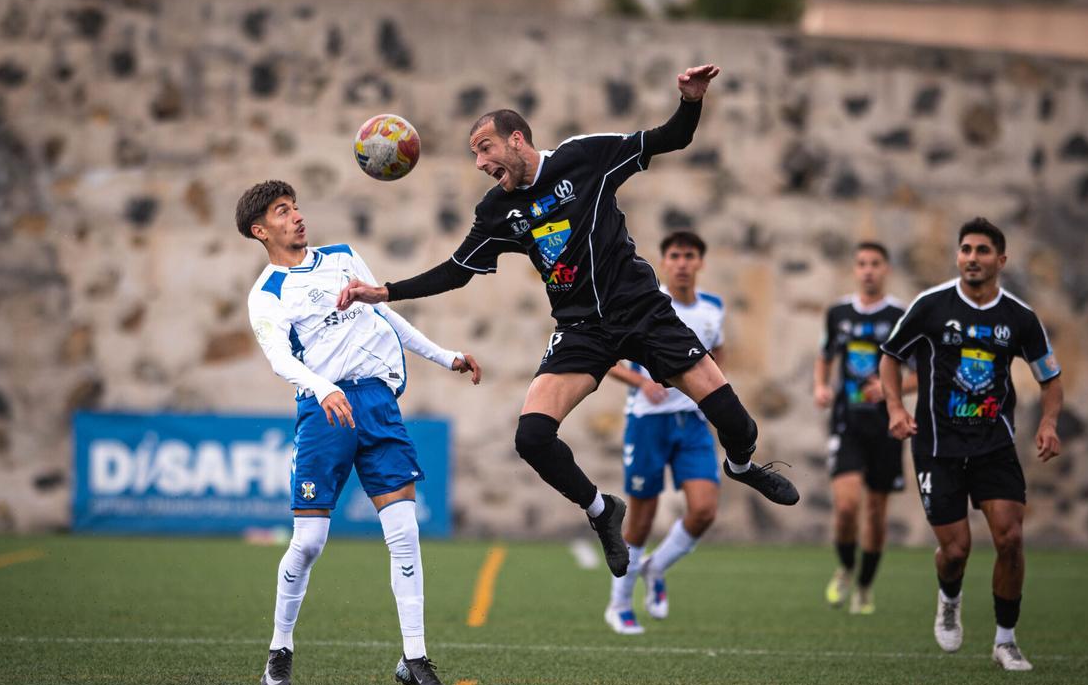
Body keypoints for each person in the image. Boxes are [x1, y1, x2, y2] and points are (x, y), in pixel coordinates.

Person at [338, 64, 799, 579]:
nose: (480, 162)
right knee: (532, 437)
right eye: (474, 155)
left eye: (485, 148)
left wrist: (690, 100)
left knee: (738, 424)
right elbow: (456, 270)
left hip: (644, 312)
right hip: (581, 330)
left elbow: (673, 137)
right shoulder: (497, 210)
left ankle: (741, 466)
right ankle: (602, 511)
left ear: (517, 140)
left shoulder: (585, 157)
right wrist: (385, 291)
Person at [238, 180, 482, 685]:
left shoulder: (344, 257)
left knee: (405, 532)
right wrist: (323, 387)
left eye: (295, 206)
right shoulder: (267, 295)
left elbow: (385, 315)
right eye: (282, 211)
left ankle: (414, 658)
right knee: (309, 541)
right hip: (324, 410)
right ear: (260, 231)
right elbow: (279, 359)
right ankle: (280, 649)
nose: (296, 216)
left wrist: (446, 356)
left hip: (377, 404)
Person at [880, 217, 1062, 671]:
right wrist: (896, 409)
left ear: (1001, 260)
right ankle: (949, 599)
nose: (972, 258)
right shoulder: (931, 306)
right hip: (936, 447)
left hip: (993, 445)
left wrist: (1049, 422)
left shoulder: (1019, 318)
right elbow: (890, 357)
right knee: (956, 550)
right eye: (966, 250)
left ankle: (1005, 640)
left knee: (1011, 539)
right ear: (958, 256)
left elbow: (1050, 378)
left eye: (982, 250)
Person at [603, 231, 725, 634]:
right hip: (648, 423)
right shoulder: (645, 301)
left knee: (704, 510)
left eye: (690, 255)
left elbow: (716, 356)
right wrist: (642, 382)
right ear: (664, 261)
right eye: (675, 256)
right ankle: (620, 604)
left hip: (692, 423)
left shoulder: (713, 308)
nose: (682, 263)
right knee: (642, 517)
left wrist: (717, 401)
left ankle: (656, 567)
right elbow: (607, 358)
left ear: (700, 262)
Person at [813, 242, 914, 615]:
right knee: (846, 507)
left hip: (887, 425)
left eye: (875, 263)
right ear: (855, 270)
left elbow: (919, 372)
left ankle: (866, 586)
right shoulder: (839, 313)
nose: (868, 270)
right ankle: (845, 567)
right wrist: (820, 386)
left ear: (886, 269)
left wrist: (889, 389)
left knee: (875, 511)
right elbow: (824, 356)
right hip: (847, 424)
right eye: (862, 264)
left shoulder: (901, 315)